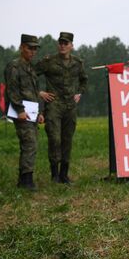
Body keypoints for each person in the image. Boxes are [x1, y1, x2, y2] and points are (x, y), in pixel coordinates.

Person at [36, 32, 88, 184]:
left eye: (66, 43)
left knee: (67, 140)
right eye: (60, 43)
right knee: (54, 139)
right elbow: (31, 75)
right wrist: (40, 92)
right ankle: (54, 175)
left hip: (70, 107)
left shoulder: (77, 63)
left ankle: (64, 175)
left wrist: (80, 93)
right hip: (53, 106)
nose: (63, 46)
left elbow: (84, 80)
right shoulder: (49, 61)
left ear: (71, 46)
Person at [4, 34, 45, 191]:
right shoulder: (14, 66)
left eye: (35, 48)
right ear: (22, 47)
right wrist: (19, 110)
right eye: (30, 48)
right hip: (21, 112)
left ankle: (24, 180)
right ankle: (26, 181)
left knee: (32, 144)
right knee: (29, 144)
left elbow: (34, 92)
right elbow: (12, 90)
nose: (33, 51)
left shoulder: (30, 67)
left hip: (32, 112)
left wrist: (39, 112)